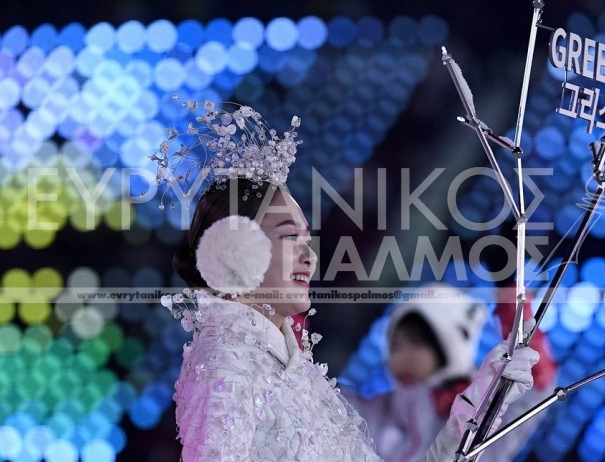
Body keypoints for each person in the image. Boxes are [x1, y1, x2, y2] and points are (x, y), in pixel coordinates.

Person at [157, 98, 542, 461]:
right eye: (290, 236)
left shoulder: (302, 377)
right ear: (237, 250)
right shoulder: (227, 363)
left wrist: (475, 402)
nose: (310, 256)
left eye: (307, 239)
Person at [344, 283, 557, 462]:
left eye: (416, 343)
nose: (402, 356)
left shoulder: (482, 413)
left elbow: (535, 384)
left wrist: (513, 308)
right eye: (396, 345)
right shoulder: (376, 410)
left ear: (446, 349)